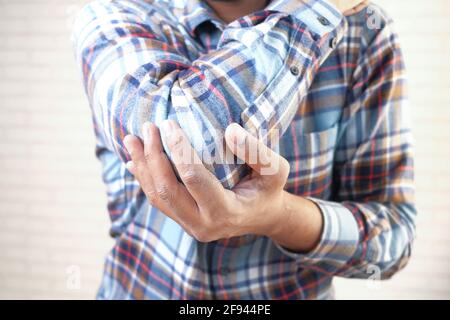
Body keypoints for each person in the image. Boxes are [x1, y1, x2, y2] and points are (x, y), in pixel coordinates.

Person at [72, 0, 416, 299]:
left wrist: (280, 216)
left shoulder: (363, 33)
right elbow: (196, 160)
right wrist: (314, 11)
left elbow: (393, 237)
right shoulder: (115, 17)